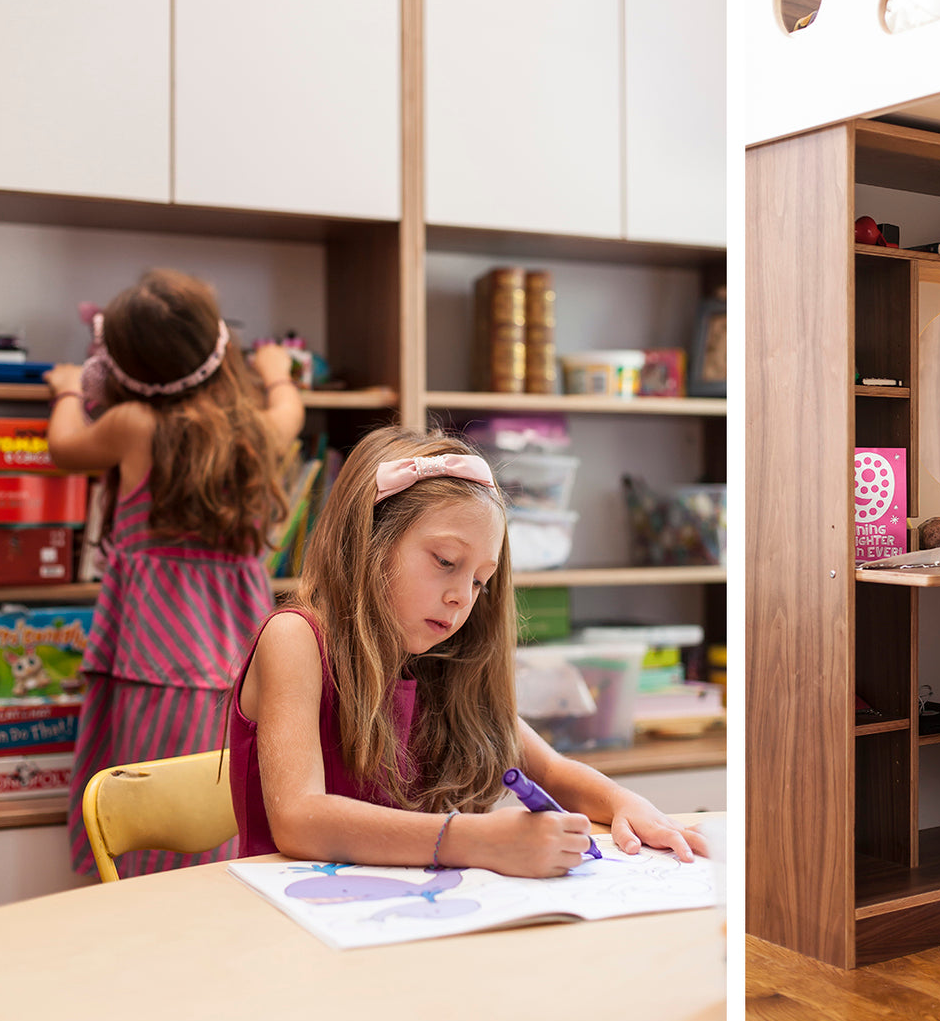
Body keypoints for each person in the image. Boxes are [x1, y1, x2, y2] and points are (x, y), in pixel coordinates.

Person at [227, 426, 705, 874]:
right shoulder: (295, 638)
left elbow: (553, 771)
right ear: (369, 539)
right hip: (291, 925)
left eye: (480, 580)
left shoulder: (437, 662)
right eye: (445, 561)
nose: (462, 597)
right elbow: (298, 818)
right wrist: (472, 839)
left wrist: (626, 803)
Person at [45, 268, 305, 877]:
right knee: (224, 799)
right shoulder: (256, 432)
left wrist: (63, 390)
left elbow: (63, 448)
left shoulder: (131, 427)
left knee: (146, 803)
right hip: (238, 662)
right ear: (219, 355)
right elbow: (289, 409)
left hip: (149, 660)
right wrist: (276, 374)